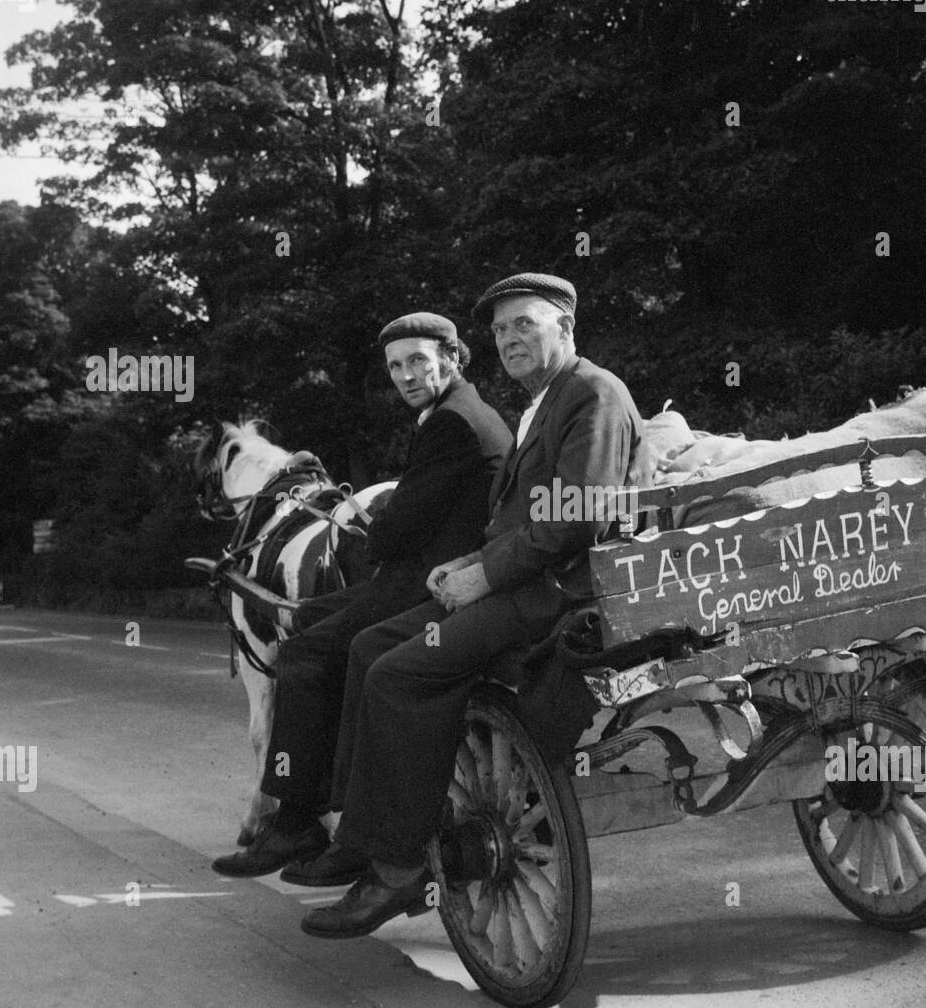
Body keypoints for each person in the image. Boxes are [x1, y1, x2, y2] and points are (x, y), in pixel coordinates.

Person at [301, 272, 649, 938]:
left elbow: (578, 519)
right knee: (370, 644)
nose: (510, 338)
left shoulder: (593, 395)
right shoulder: (546, 401)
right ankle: (363, 836)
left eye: (526, 323)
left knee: (398, 675)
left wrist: (485, 576)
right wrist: (469, 561)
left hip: (563, 595)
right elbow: (523, 516)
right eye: (500, 330)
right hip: (523, 582)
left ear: (566, 328)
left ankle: (399, 869)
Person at [212, 312, 511, 879]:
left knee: (305, 652)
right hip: (418, 572)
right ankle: (300, 805)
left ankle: (298, 820)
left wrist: (375, 530)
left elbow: (397, 532)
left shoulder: (452, 422)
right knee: (305, 619)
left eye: (418, 360)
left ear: (451, 357)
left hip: (424, 582)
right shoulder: (457, 413)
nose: (406, 375)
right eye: (396, 366)